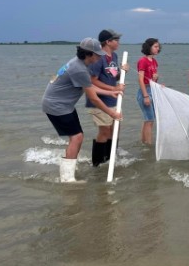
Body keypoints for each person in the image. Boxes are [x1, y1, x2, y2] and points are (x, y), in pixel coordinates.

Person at [42, 38, 122, 183]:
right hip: (57, 106)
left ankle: (69, 167)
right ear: (88, 54)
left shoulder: (79, 64)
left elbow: (89, 87)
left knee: (77, 137)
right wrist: (112, 113)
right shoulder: (79, 69)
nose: (99, 57)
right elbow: (94, 99)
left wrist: (109, 92)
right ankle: (67, 178)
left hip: (63, 105)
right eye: (97, 54)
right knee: (77, 137)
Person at [86, 29, 128, 167]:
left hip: (113, 99)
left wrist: (122, 71)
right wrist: (113, 89)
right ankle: (97, 163)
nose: (118, 42)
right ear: (108, 42)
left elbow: (113, 75)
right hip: (100, 100)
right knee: (104, 131)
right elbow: (93, 80)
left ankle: (110, 159)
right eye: (116, 40)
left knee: (115, 128)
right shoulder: (99, 58)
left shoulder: (114, 56)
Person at [136, 38, 161, 145]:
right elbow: (140, 79)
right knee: (150, 120)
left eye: (158, 47)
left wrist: (156, 79)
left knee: (148, 119)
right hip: (144, 91)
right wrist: (146, 96)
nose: (157, 48)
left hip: (152, 90)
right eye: (155, 46)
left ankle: (144, 143)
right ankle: (149, 145)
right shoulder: (143, 61)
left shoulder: (154, 61)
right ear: (149, 47)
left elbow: (153, 80)